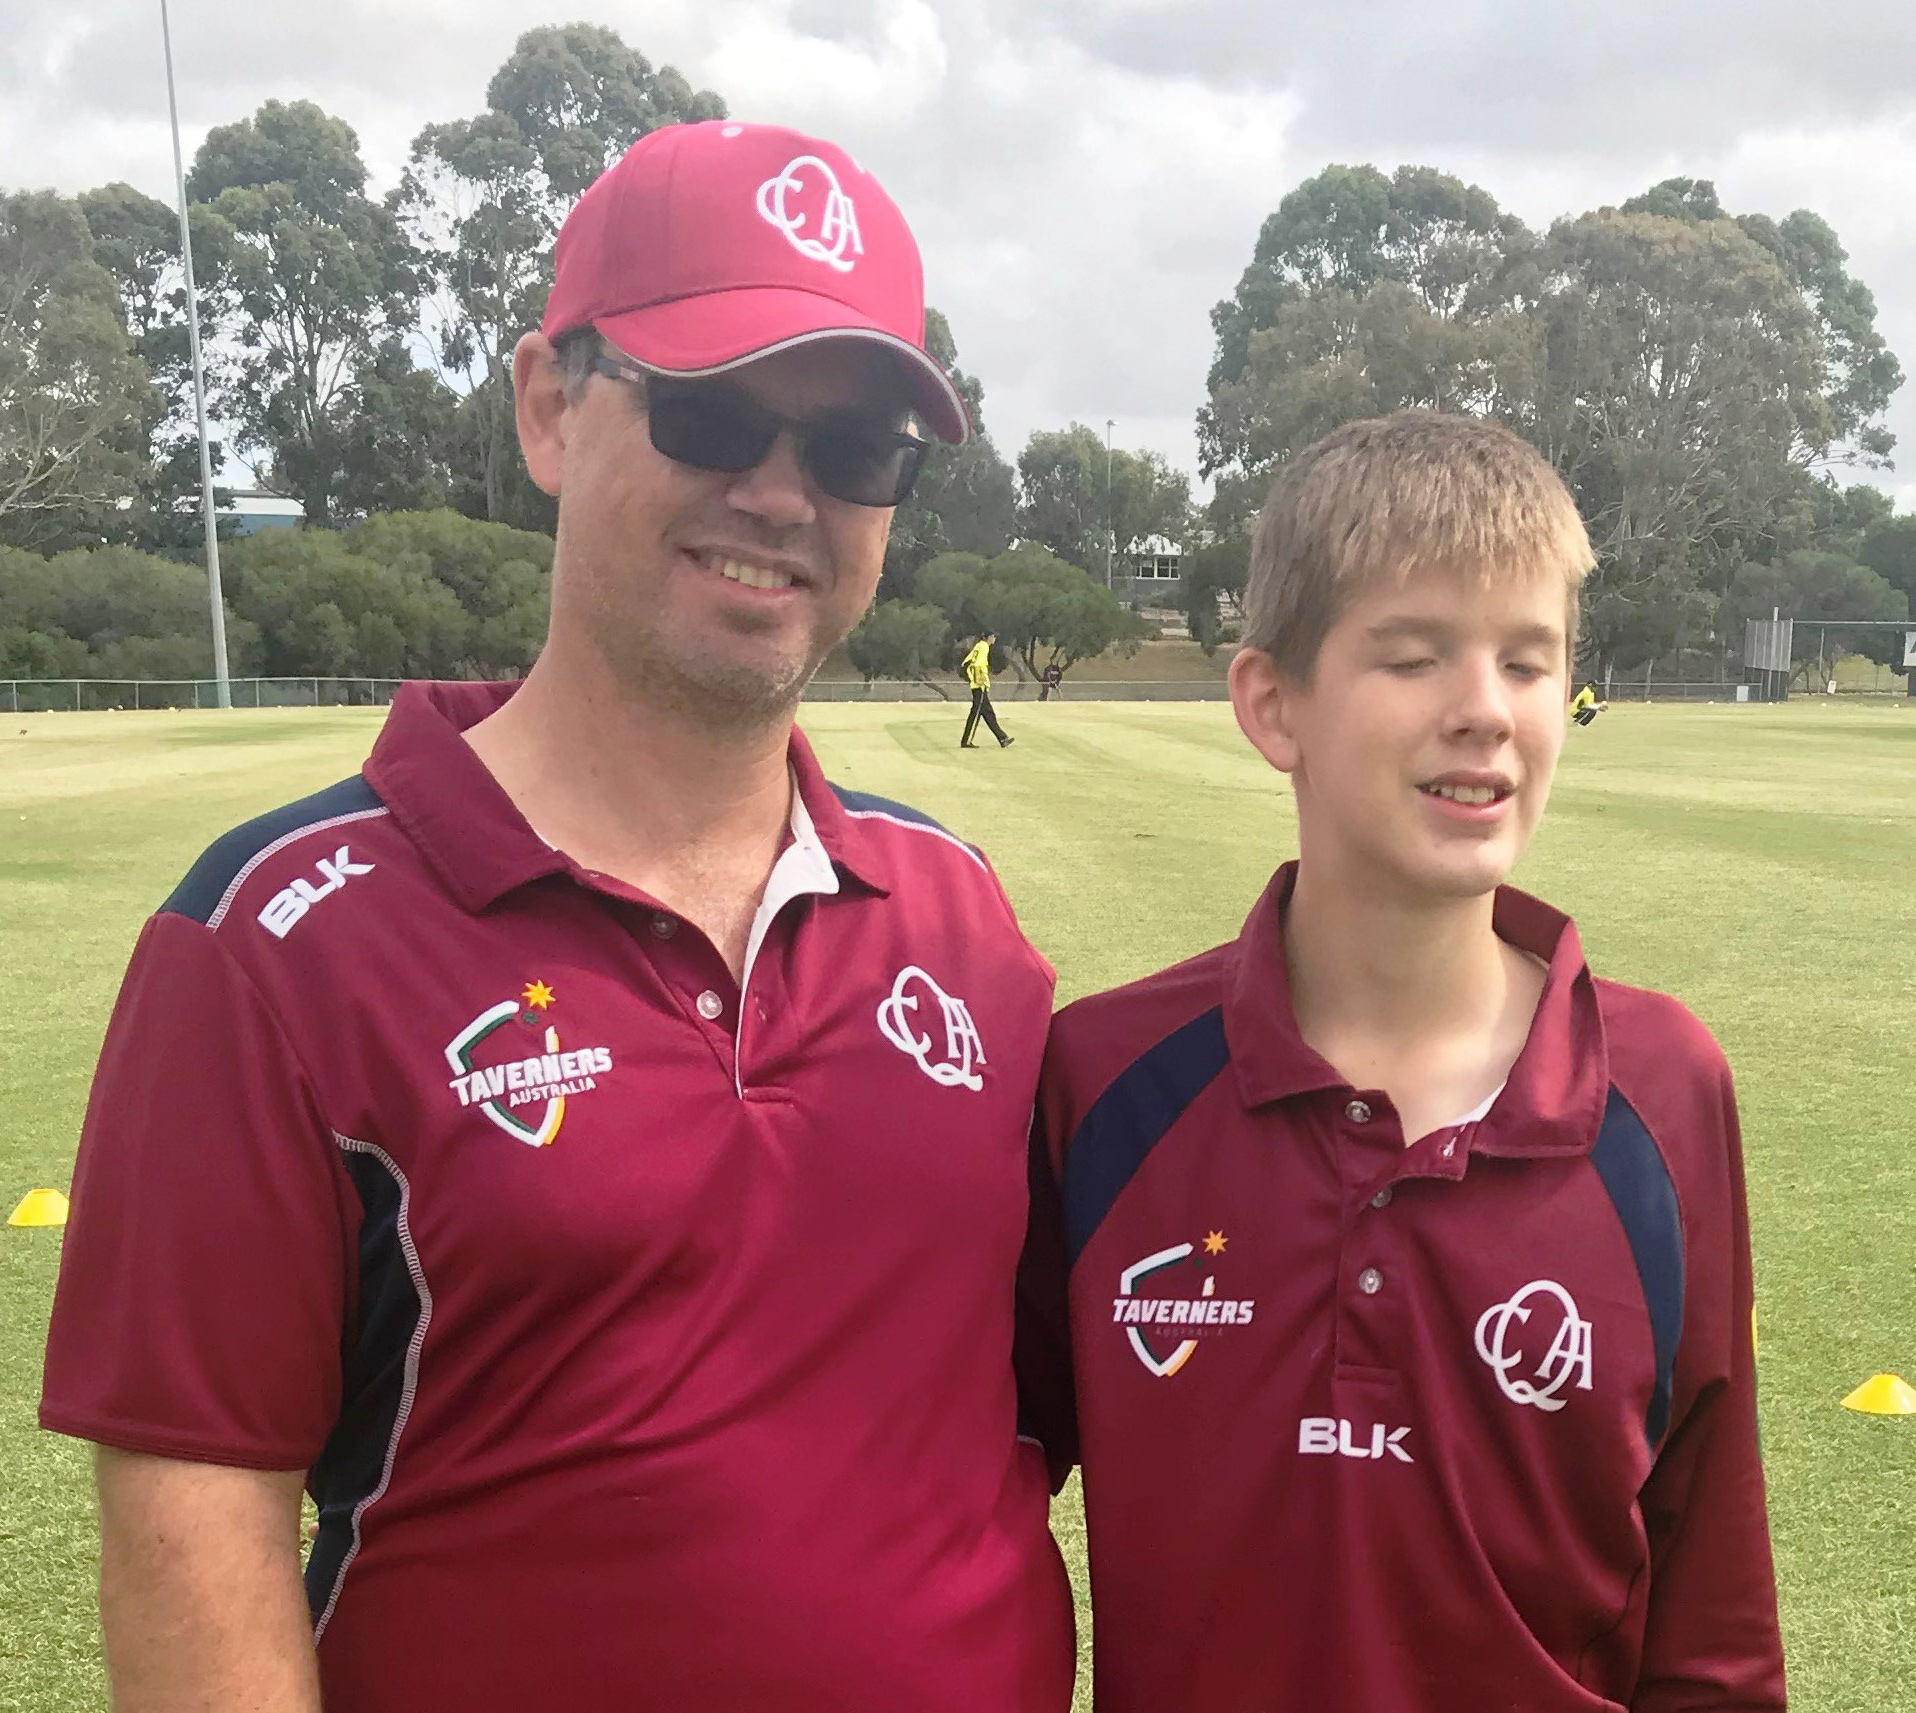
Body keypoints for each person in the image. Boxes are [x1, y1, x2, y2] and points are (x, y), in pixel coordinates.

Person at [41, 120, 1074, 1713]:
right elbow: (193, 1512)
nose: (780, 492)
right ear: (547, 409)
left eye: (853, 448)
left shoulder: (962, 918)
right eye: (715, 409)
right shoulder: (270, 943)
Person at [1017, 412, 1782, 1712]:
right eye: (1417, 656)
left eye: (1529, 663)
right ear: (1273, 705)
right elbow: (958, 1508)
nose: (1484, 711)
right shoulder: (1108, 1082)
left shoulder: (1662, 1091)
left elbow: (1713, 1633)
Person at [962, 630, 1014, 747]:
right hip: (979, 685)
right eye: (993, 637)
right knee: (976, 713)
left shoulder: (979, 646)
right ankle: (966, 741)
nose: (994, 639)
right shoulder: (984, 647)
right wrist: (979, 680)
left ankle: (1002, 738)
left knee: (988, 713)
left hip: (979, 685)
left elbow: (968, 662)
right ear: (989, 637)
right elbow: (976, 664)